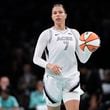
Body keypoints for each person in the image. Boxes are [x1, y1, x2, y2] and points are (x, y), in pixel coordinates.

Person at [33, 3, 99, 110]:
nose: (57, 15)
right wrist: (49, 65)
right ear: (52, 17)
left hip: (71, 79)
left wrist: (89, 50)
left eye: (60, 12)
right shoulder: (47, 34)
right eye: (55, 13)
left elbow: (83, 59)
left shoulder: (74, 33)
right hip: (52, 79)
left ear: (65, 15)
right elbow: (36, 59)